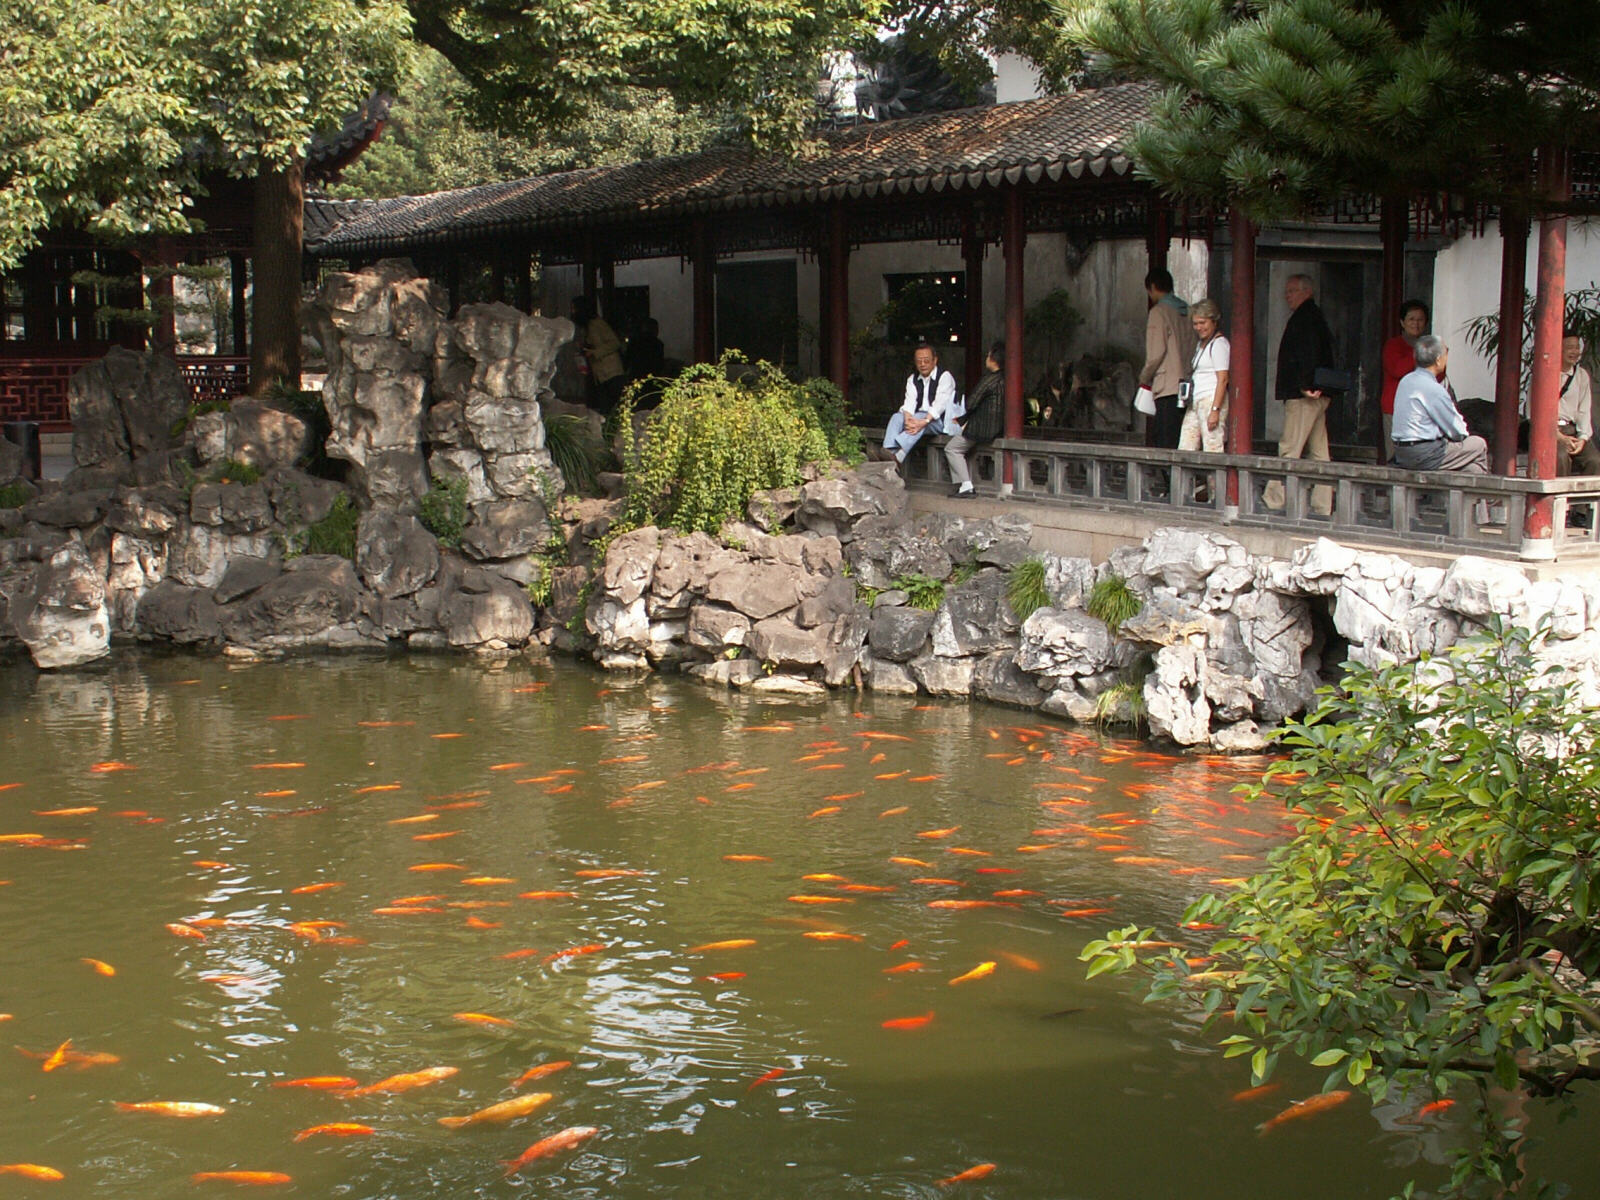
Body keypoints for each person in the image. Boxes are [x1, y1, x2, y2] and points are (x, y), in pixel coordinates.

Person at [1268, 273, 1336, 513]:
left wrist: (1305, 384)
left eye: (1292, 291)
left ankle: (1274, 500)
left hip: (1305, 395)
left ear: (1306, 291)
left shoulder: (1305, 318)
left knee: (1290, 447)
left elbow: (1308, 353)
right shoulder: (1313, 316)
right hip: (1317, 393)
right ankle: (1322, 504)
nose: (1287, 296)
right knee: (1319, 452)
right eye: (1286, 292)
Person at [1391, 335, 1489, 474]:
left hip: (1402, 453)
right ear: (1438, 360)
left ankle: (1481, 490)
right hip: (1426, 454)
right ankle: (1487, 493)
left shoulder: (1406, 381)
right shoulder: (1433, 388)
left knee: (1472, 469)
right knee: (1478, 444)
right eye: (1446, 353)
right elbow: (1457, 430)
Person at [1137, 267, 1195, 449]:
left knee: (1164, 440)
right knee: (1182, 438)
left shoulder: (1159, 313)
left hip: (1167, 385)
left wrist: (1144, 378)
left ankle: (1168, 478)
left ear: (1152, 287)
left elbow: (1155, 354)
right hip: (1187, 384)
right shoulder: (1189, 311)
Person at [873, 342, 956, 464]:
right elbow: (909, 402)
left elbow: (940, 404)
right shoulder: (912, 378)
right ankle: (889, 451)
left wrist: (924, 421)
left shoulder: (944, 376)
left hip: (939, 421)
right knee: (897, 417)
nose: (922, 364)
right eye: (919, 361)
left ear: (935, 360)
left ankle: (898, 456)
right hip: (917, 420)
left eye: (926, 361)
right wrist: (907, 420)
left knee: (920, 416)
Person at [945, 341, 1005, 497]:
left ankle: (965, 485)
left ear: (993, 358)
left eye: (988, 355)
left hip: (982, 427)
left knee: (952, 448)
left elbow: (971, 403)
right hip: (999, 428)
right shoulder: (1005, 379)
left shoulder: (989, 379)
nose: (986, 358)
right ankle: (962, 485)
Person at [1178, 299, 1229, 454]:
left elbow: (1223, 379)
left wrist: (1215, 410)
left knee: (1212, 447)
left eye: (1203, 322)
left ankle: (1214, 479)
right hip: (1196, 400)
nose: (1199, 327)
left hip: (1210, 398)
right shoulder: (1201, 344)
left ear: (1214, 321)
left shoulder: (1219, 344)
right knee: (1186, 446)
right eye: (1196, 323)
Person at [1380, 300, 1430, 461]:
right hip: (1395, 407)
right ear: (1402, 322)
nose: (1416, 323)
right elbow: (1397, 370)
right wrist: (1419, 351)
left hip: (1421, 408)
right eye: (1411, 319)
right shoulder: (1393, 345)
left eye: (1420, 319)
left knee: (1418, 454)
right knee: (1396, 454)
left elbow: (1437, 375)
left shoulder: (1429, 345)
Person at [569, 295, 625, 414]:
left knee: (615, 406)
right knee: (605, 408)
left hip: (611, 372)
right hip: (599, 375)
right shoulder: (587, 327)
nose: (572, 312)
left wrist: (594, 352)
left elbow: (615, 343)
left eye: (574, 309)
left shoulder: (597, 324)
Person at [1557, 330, 1600, 476]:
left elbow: (1584, 410)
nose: (1574, 352)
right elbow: (1534, 414)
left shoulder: (1581, 375)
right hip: (1551, 431)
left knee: (1594, 461)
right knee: (1560, 458)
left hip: (1572, 429)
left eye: (1577, 347)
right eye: (1569, 347)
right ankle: (1559, 498)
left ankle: (1589, 499)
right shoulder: (1543, 373)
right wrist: (1559, 437)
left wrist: (1582, 438)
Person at [624, 317, 666, 383]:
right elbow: (659, 363)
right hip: (652, 376)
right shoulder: (658, 343)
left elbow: (628, 359)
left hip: (637, 376)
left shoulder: (635, 342)